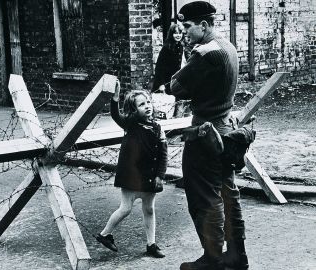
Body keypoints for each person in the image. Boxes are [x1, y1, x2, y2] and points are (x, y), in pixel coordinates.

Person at [165, 1, 249, 270]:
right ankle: (237, 256)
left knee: (204, 196)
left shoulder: (204, 52)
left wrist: (169, 85)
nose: (185, 33)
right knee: (227, 192)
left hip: (205, 132)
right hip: (226, 128)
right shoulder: (229, 47)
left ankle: (212, 258)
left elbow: (175, 87)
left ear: (204, 25)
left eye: (187, 27)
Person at [95, 81, 168, 258]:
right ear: (134, 110)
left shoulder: (158, 128)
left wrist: (160, 175)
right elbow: (115, 115)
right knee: (126, 208)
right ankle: (105, 234)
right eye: (141, 105)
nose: (147, 106)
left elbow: (163, 154)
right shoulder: (130, 124)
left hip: (150, 175)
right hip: (131, 175)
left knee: (149, 209)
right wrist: (115, 98)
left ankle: (151, 244)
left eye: (148, 102)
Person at [152, 24, 188, 118]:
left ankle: (178, 123)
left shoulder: (181, 46)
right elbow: (159, 67)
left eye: (180, 33)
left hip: (178, 81)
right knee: (168, 106)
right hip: (167, 82)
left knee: (180, 104)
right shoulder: (166, 48)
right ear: (171, 34)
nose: (178, 35)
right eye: (175, 33)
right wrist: (161, 84)